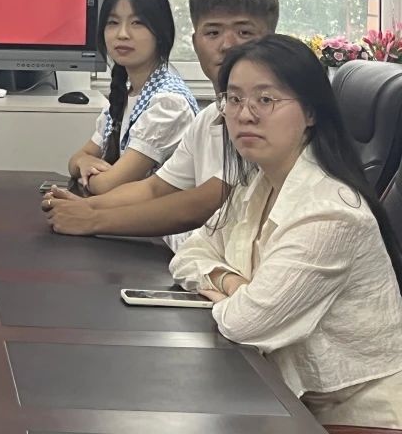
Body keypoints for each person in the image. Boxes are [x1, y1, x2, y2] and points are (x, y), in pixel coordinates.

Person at [171, 35, 402, 428]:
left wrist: (233, 293)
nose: (245, 114)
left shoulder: (330, 214)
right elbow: (189, 253)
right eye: (234, 99)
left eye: (265, 99)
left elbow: (244, 324)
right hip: (286, 397)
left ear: (310, 112)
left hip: (359, 416)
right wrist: (233, 282)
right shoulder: (257, 182)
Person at [45, 0, 278, 248]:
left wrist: (92, 218)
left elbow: (201, 203)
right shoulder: (208, 118)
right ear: (195, 43)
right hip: (197, 256)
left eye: (244, 32)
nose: (227, 45)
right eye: (213, 33)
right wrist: (82, 207)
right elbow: (155, 187)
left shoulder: (275, 113)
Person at [63, 0, 198, 196]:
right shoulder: (125, 95)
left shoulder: (169, 103)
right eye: (113, 23)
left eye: (137, 23)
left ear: (160, 33)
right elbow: (75, 160)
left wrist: (84, 175)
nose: (122, 34)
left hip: (154, 218)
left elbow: (107, 185)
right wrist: (84, 163)